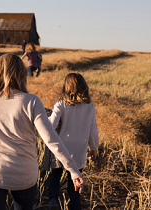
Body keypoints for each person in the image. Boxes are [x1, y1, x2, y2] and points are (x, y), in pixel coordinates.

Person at [0, 54, 84, 210]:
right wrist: (73, 170)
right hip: (24, 175)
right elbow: (51, 139)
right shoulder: (32, 101)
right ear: (21, 74)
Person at [43, 73, 99, 210]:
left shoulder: (61, 103)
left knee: (55, 174)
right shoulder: (90, 106)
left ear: (66, 87)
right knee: (74, 183)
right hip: (79, 151)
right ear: (84, 86)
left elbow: (52, 125)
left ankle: (53, 200)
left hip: (61, 148)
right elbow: (93, 129)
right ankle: (75, 206)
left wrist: (45, 118)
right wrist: (94, 147)